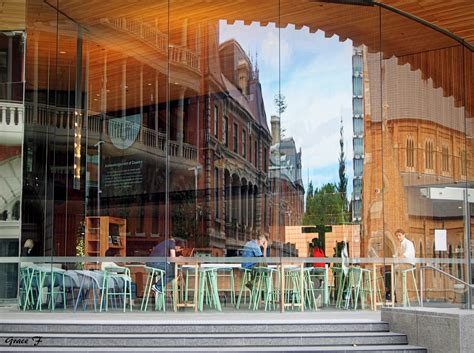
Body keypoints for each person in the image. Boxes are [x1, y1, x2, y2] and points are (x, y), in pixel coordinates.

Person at [393, 228, 416, 303]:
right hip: (401, 264)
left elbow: (406, 255)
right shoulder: (399, 245)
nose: (398, 237)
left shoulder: (408, 243)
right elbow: (395, 255)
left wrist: (397, 258)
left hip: (407, 264)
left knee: (398, 279)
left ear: (404, 235)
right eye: (397, 236)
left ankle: (400, 300)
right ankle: (396, 296)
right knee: (391, 272)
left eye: (399, 235)